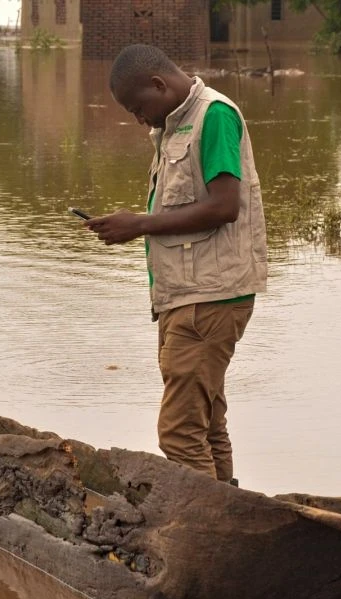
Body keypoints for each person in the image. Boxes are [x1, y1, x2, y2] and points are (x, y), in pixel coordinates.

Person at [86, 44, 268, 485]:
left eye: (138, 108)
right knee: (205, 425)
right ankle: (231, 523)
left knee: (179, 434)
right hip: (185, 298)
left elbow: (225, 207)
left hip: (209, 300)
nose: (138, 119)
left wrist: (140, 224)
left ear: (158, 84)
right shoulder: (173, 126)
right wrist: (136, 224)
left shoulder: (215, 116)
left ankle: (208, 534)